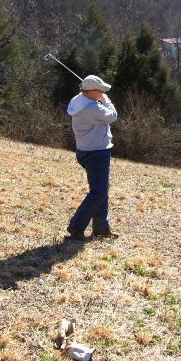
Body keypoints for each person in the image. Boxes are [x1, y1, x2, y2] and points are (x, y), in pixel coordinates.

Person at [66, 75, 119, 240]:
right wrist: (106, 101)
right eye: (100, 90)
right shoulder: (91, 108)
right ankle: (76, 226)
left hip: (88, 150)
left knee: (101, 190)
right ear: (90, 92)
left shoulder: (79, 99)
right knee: (99, 191)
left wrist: (99, 98)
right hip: (96, 152)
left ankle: (101, 228)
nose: (103, 92)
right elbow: (112, 116)